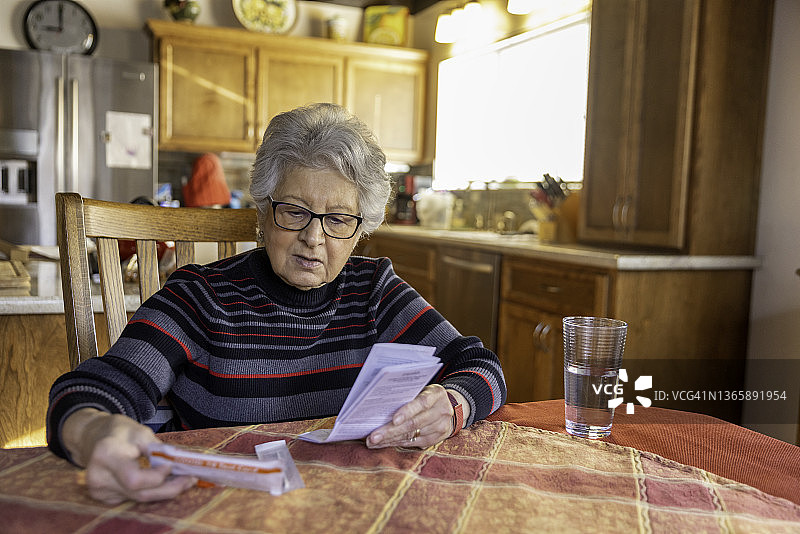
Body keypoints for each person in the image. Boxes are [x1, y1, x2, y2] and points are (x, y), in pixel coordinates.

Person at [46, 103, 507, 504]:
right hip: (215, 509)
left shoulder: (374, 291)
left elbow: (481, 366)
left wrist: (451, 403)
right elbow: (90, 390)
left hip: (346, 507)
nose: (313, 238)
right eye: (294, 211)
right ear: (263, 211)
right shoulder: (199, 297)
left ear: (360, 227)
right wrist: (93, 432)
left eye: (338, 219)